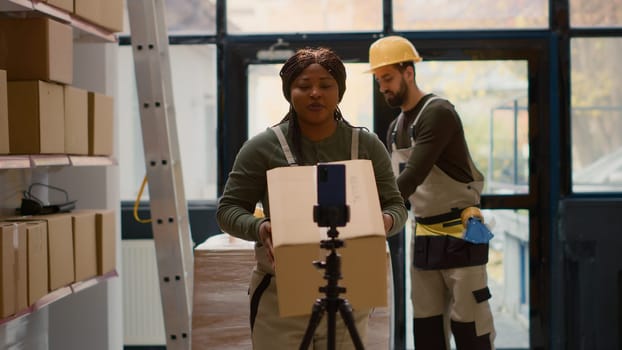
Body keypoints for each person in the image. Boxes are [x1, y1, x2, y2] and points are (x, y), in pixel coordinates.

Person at [216, 47, 408, 349]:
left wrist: (385, 221)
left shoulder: (366, 146)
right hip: (280, 294)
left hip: (351, 288)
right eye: (304, 86)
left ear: (340, 91)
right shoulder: (262, 147)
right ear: (288, 91)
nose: (315, 93)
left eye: (326, 85)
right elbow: (228, 210)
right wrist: (261, 227)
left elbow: (396, 206)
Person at [367, 35, 496, 350]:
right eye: (378, 80)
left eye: (388, 78)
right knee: (426, 328)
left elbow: (411, 177)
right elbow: (392, 183)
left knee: (469, 326)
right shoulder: (396, 127)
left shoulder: (438, 112)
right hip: (424, 234)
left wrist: (368, 212)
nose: (383, 86)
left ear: (408, 73)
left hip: (461, 233)